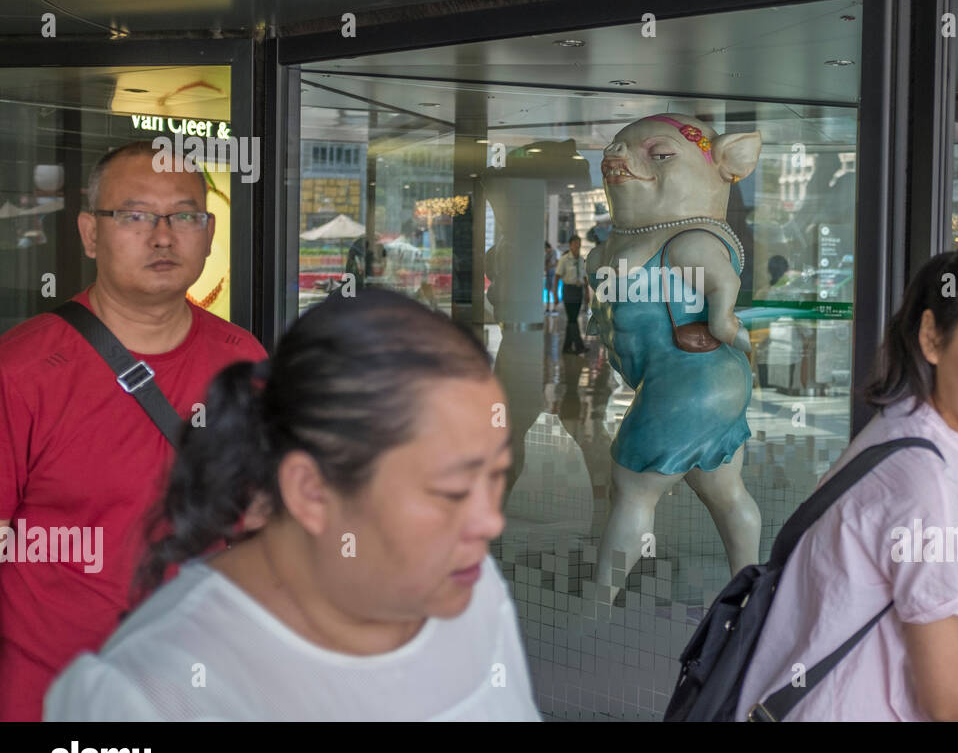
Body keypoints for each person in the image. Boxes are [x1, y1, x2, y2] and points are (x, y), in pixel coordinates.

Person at [44, 289, 540, 721]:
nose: (490, 521)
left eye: (496, 475)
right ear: (310, 490)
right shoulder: (146, 698)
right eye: (451, 492)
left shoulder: (473, 590)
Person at [0, 140, 267, 721]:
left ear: (210, 231)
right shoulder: (20, 372)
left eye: (185, 216)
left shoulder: (244, 363)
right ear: (90, 233)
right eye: (135, 215)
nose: (164, 236)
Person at [737, 239, 958, 720]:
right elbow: (948, 701)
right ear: (932, 338)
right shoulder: (927, 480)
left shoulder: (903, 428)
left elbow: (906, 573)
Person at [556, 234, 589, 354]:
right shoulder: (564, 260)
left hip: (578, 291)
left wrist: (587, 294)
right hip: (568, 290)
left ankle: (567, 347)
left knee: (572, 319)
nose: (577, 246)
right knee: (573, 319)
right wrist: (555, 294)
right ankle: (579, 346)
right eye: (575, 244)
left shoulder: (581, 260)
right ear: (570, 245)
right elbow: (557, 276)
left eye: (579, 244)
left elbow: (585, 278)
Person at [544, 241, 559, 313]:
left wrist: (550, 267)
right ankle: (547, 307)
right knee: (548, 291)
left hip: (553, 273)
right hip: (548, 274)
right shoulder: (547, 254)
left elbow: (556, 262)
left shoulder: (554, 252)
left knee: (553, 291)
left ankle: (554, 308)